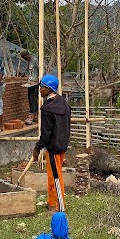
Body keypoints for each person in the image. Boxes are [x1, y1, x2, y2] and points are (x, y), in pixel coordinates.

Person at [32, 74, 71, 214]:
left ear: (49, 89)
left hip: (54, 147)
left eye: (42, 87)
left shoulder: (48, 108)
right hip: (62, 144)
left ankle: (60, 208)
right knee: (52, 175)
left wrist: (37, 148)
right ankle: (51, 202)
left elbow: (46, 133)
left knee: (56, 177)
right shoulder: (63, 102)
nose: (40, 90)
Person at [19, 49, 39, 125]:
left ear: (27, 55)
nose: (25, 59)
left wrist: (39, 79)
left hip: (35, 83)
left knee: (33, 99)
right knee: (30, 98)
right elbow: (27, 70)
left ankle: (31, 116)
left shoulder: (35, 60)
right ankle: (37, 116)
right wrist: (22, 75)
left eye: (24, 57)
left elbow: (41, 70)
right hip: (30, 83)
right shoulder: (29, 62)